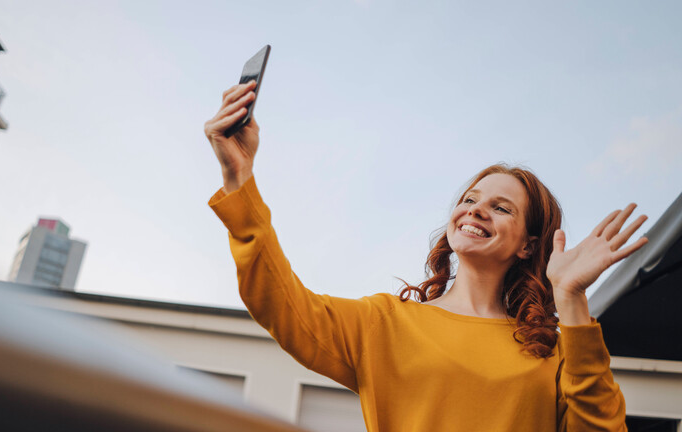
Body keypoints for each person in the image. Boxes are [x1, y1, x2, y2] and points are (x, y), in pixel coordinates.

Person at [204, 80, 648, 432]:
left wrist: (570, 297)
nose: (475, 209)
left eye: (500, 207)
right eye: (471, 199)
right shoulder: (385, 325)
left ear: (529, 245)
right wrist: (238, 179)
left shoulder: (554, 351)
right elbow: (280, 303)